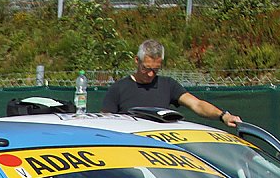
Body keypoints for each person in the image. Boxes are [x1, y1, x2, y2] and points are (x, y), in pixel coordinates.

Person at [101, 40, 241, 129]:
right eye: (146, 68)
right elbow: (104, 124)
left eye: (155, 70)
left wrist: (223, 115)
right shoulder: (118, 88)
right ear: (137, 61)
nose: (150, 74)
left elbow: (197, 104)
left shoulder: (168, 85)